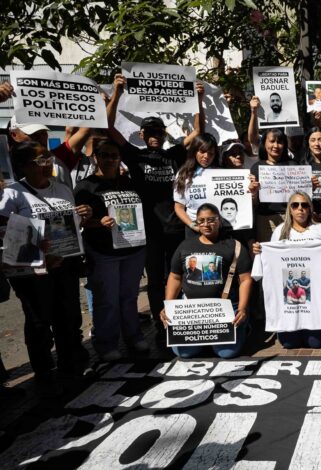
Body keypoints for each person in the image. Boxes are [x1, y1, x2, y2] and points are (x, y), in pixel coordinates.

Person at [106, 73, 204, 338]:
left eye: (159, 132)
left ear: (164, 134)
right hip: (148, 231)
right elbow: (108, 127)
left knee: (178, 275)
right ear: (142, 134)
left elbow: (197, 133)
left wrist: (198, 99)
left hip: (175, 228)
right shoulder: (134, 155)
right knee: (155, 280)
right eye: (150, 132)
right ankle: (161, 324)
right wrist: (116, 93)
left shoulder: (173, 154)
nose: (155, 136)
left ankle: (179, 320)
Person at [0, 141, 92, 393]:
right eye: (39, 160)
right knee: (40, 322)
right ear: (23, 166)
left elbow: (70, 225)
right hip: (33, 271)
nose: (47, 164)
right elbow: (6, 233)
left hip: (66, 263)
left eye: (47, 158)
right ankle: (43, 373)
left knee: (67, 317)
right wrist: (41, 255)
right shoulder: (13, 194)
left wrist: (83, 216)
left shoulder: (62, 189)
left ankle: (69, 368)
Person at [74, 137, 148, 361]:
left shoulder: (129, 183)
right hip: (103, 252)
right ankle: (106, 344)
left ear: (119, 158)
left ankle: (133, 336)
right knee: (107, 300)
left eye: (114, 156)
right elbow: (78, 221)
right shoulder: (85, 186)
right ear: (95, 157)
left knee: (129, 297)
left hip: (133, 249)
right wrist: (98, 222)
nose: (109, 159)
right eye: (104, 155)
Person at [252, 191, 321, 348]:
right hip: (288, 297)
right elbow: (273, 263)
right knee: (289, 344)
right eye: (295, 205)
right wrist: (260, 252)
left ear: (310, 208)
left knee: (316, 343)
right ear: (290, 209)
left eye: (304, 205)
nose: (300, 209)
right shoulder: (280, 231)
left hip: (315, 297)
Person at [162, 203, 253, 359]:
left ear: (219, 221)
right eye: (201, 220)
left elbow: (245, 279)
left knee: (226, 353)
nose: (206, 224)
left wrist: (242, 309)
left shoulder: (234, 246)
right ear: (196, 222)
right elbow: (175, 277)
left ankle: (243, 327)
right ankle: (206, 341)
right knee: (184, 353)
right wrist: (168, 306)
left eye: (211, 220)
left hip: (225, 308)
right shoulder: (185, 245)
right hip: (192, 310)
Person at [173, 133, 220, 239]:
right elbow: (179, 207)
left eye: (211, 153)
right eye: (202, 151)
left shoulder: (222, 172)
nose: (206, 156)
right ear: (194, 151)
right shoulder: (183, 174)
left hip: (217, 230)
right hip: (193, 231)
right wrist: (194, 226)